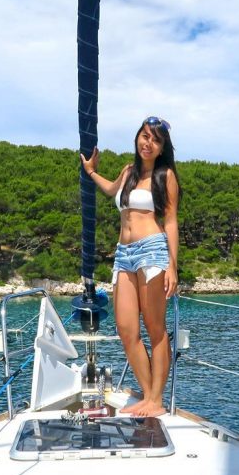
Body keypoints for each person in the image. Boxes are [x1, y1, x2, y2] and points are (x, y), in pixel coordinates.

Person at [80, 116, 180, 417]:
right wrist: (91, 172)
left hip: (152, 252)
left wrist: (173, 266)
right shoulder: (128, 172)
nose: (147, 143)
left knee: (155, 329)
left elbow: (171, 222)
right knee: (126, 328)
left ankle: (155, 400)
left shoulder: (165, 176)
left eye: (155, 140)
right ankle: (147, 393)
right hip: (123, 254)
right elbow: (112, 191)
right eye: (144, 136)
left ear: (162, 148)